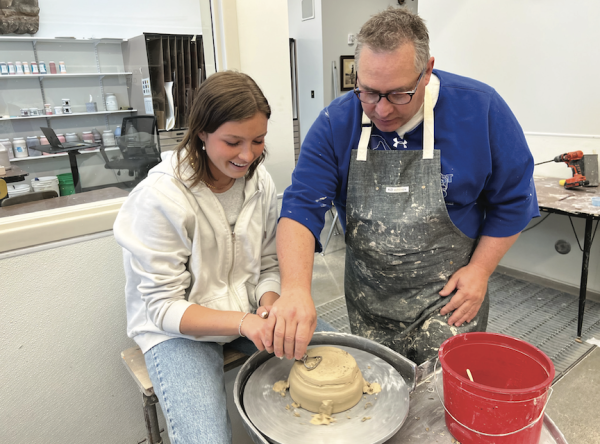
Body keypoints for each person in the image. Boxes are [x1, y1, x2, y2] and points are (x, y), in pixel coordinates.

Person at [268, 7, 539, 365]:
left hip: (450, 299)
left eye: (398, 94)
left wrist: (480, 271)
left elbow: (515, 200)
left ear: (427, 71)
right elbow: (301, 208)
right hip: (369, 299)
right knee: (377, 385)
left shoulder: (481, 110)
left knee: (442, 391)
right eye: (368, 92)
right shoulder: (337, 122)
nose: (381, 110)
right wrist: (295, 289)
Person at [114, 71, 333, 444]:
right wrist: (246, 323)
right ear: (202, 132)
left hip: (247, 310)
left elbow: (268, 264)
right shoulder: (160, 197)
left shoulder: (259, 183)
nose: (247, 155)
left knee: (335, 359)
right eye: (233, 142)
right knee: (208, 438)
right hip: (179, 329)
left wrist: (270, 304)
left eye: (258, 141)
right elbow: (163, 308)